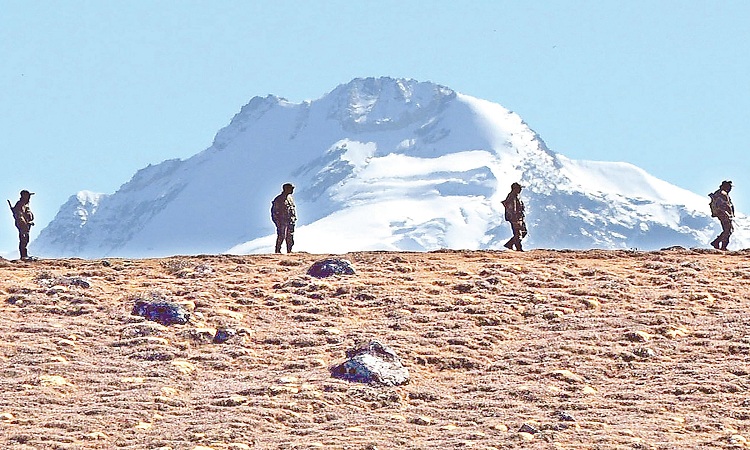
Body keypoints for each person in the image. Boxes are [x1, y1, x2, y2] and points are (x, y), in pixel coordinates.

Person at [271, 183, 297, 253]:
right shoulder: (278, 199)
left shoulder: (290, 198)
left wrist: (293, 218)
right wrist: (278, 223)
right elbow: (274, 212)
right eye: (291, 188)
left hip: (290, 221)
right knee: (281, 236)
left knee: (290, 237)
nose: (292, 190)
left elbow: (292, 209)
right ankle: (278, 251)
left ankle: (289, 251)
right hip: (282, 222)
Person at [709, 180, 734, 251]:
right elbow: (721, 205)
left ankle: (716, 242)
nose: (730, 189)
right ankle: (722, 246)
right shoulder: (722, 194)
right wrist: (726, 213)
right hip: (724, 215)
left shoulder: (720, 193)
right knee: (728, 230)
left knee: (728, 230)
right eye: (729, 187)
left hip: (722, 214)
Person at [502, 182, 527, 251]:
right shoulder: (512, 197)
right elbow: (512, 208)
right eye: (519, 188)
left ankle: (509, 244)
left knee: (524, 232)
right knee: (518, 233)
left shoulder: (516, 196)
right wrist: (514, 217)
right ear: (515, 189)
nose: (520, 190)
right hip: (515, 218)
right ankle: (519, 248)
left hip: (519, 217)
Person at [10, 190, 35, 260]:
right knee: (23, 240)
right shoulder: (20, 204)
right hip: (23, 225)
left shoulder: (24, 204)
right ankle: (23, 256)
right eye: (28, 196)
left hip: (26, 225)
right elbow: (19, 216)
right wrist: (24, 224)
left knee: (25, 239)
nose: (29, 198)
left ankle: (25, 255)